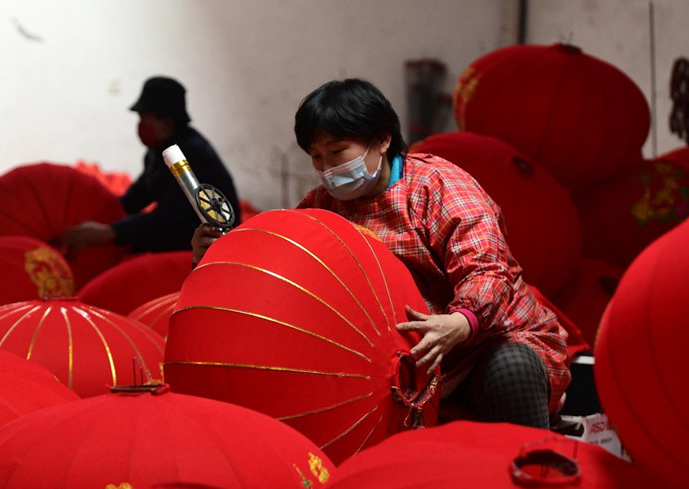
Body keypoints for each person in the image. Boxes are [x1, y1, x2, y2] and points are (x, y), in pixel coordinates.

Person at [193, 78, 571, 429]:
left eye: (338, 151)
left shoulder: (437, 187)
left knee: (512, 372)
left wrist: (461, 322)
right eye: (317, 157)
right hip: (402, 361)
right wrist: (220, 253)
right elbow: (283, 265)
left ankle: (533, 478)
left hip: (483, 341)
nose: (327, 170)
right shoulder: (321, 207)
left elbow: (487, 269)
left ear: (383, 140)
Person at [63, 76, 240, 254]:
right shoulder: (159, 151)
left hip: (202, 242)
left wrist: (111, 231)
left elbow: (169, 215)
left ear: (166, 122)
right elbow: (138, 196)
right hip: (176, 230)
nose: (139, 126)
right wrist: (97, 214)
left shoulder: (192, 154)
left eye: (143, 119)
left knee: (137, 242)